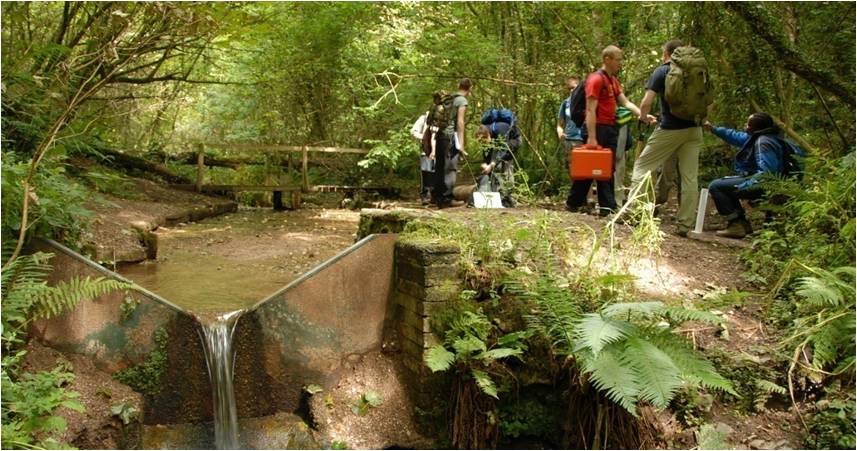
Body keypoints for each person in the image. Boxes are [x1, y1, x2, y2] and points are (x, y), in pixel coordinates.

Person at [565, 45, 653, 215]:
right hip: (596, 128)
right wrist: (591, 137)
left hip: (610, 128)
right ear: (607, 59)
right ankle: (604, 206)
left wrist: (643, 115)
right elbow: (590, 109)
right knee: (595, 168)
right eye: (618, 60)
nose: (620, 63)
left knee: (603, 168)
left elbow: (625, 102)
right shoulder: (595, 80)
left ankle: (584, 204)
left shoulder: (612, 81)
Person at [629, 39, 703, 237]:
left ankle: (637, 213)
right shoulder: (697, 71)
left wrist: (643, 117)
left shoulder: (662, 71)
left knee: (642, 167)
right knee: (689, 177)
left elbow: (646, 102)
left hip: (669, 128)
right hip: (694, 130)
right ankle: (685, 225)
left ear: (666, 53)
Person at [704, 113, 795, 239]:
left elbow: (768, 173)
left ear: (754, 128)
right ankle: (744, 226)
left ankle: (736, 224)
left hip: (767, 184)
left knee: (717, 186)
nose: (745, 126)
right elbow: (736, 136)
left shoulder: (763, 143)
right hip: (770, 181)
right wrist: (713, 129)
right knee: (726, 185)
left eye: (748, 124)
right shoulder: (763, 136)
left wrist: (744, 186)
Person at [432, 78, 472, 208]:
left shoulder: (449, 99)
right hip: (450, 138)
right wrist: (461, 144)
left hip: (440, 136)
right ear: (470, 89)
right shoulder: (462, 100)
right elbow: (460, 122)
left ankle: (438, 198)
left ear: (458, 85)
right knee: (450, 168)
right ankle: (447, 199)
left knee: (439, 167)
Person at [474, 119, 521, 207]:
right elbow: (486, 151)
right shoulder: (489, 134)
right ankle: (497, 194)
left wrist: (492, 164)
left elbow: (503, 148)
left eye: (482, 141)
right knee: (494, 166)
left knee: (505, 164)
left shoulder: (500, 129)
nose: (482, 143)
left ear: (487, 135)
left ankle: (509, 198)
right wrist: (486, 164)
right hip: (501, 144)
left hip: (512, 141)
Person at [556, 76, 584, 168]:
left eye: (573, 88)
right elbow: (559, 125)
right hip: (569, 141)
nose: (572, 91)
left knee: (583, 169)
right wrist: (560, 133)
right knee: (571, 169)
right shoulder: (565, 103)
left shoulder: (586, 102)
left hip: (582, 140)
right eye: (569, 89)